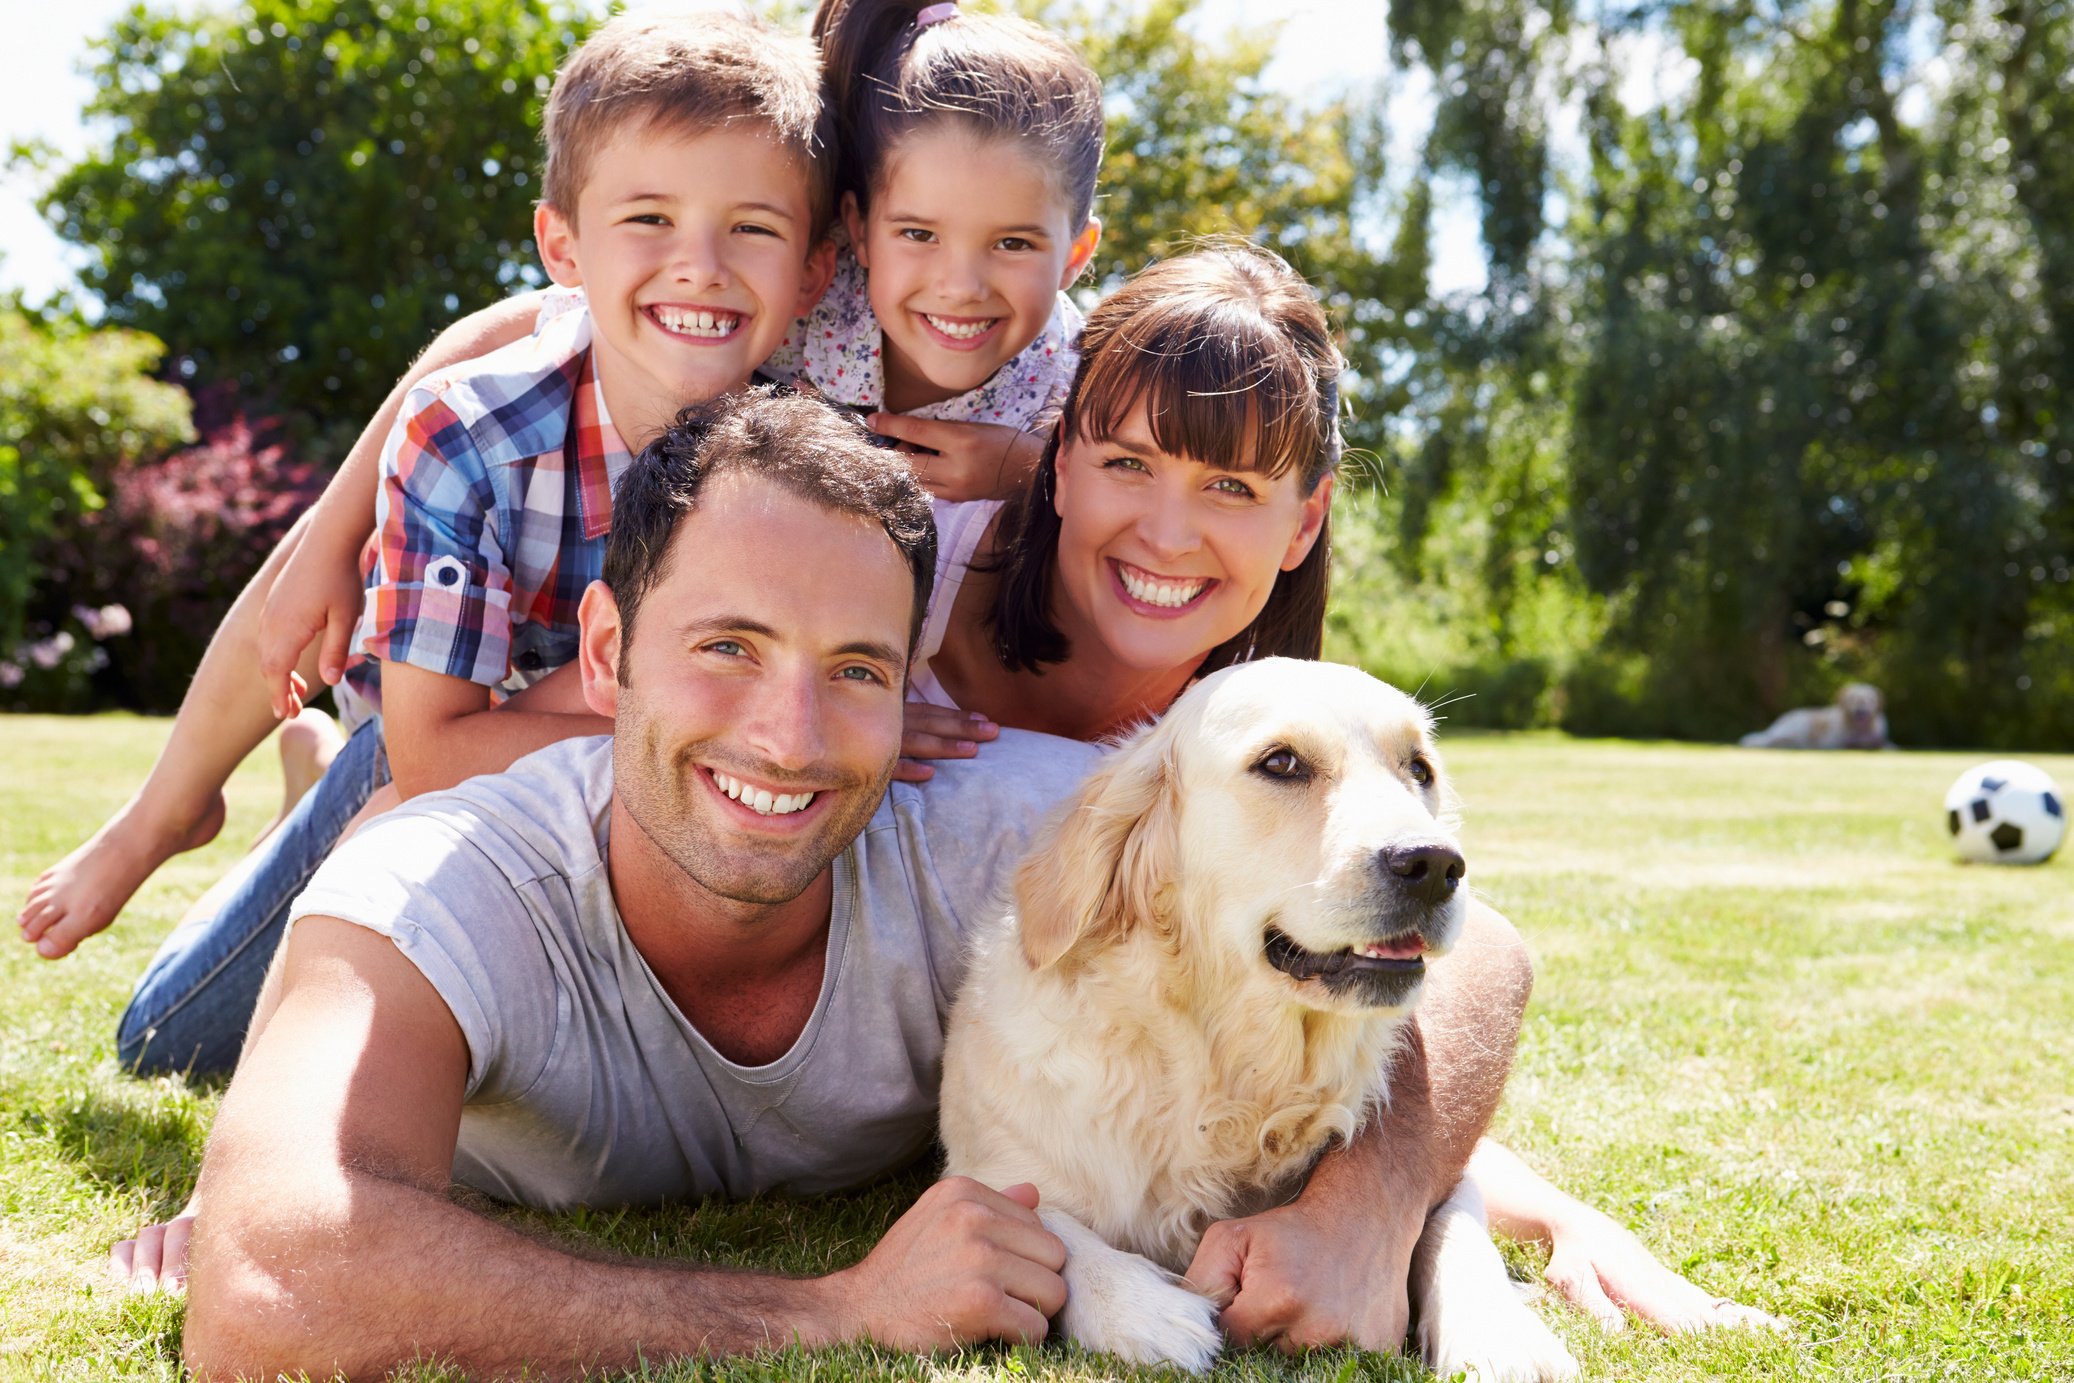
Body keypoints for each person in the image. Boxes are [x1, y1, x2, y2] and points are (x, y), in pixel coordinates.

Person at [175, 387, 1539, 1378]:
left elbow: (1471, 951)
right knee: (181, 1022)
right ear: (607, 653)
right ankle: (310, 786)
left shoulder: (978, 823)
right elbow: (265, 1280)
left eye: (854, 670)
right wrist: (829, 1309)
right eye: (726, 645)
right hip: (278, 939)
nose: (789, 735)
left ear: (911, 685)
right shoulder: (439, 887)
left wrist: (1373, 1201)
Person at [103, 10, 840, 1075]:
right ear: (562, 248)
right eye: (648, 218)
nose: (701, 267)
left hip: (597, 775)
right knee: (166, 1043)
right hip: (425, 753)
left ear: (815, 272)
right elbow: (440, 750)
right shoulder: (472, 429)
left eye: (753, 230)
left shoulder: (809, 458)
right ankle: (308, 801)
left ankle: (305, 800)